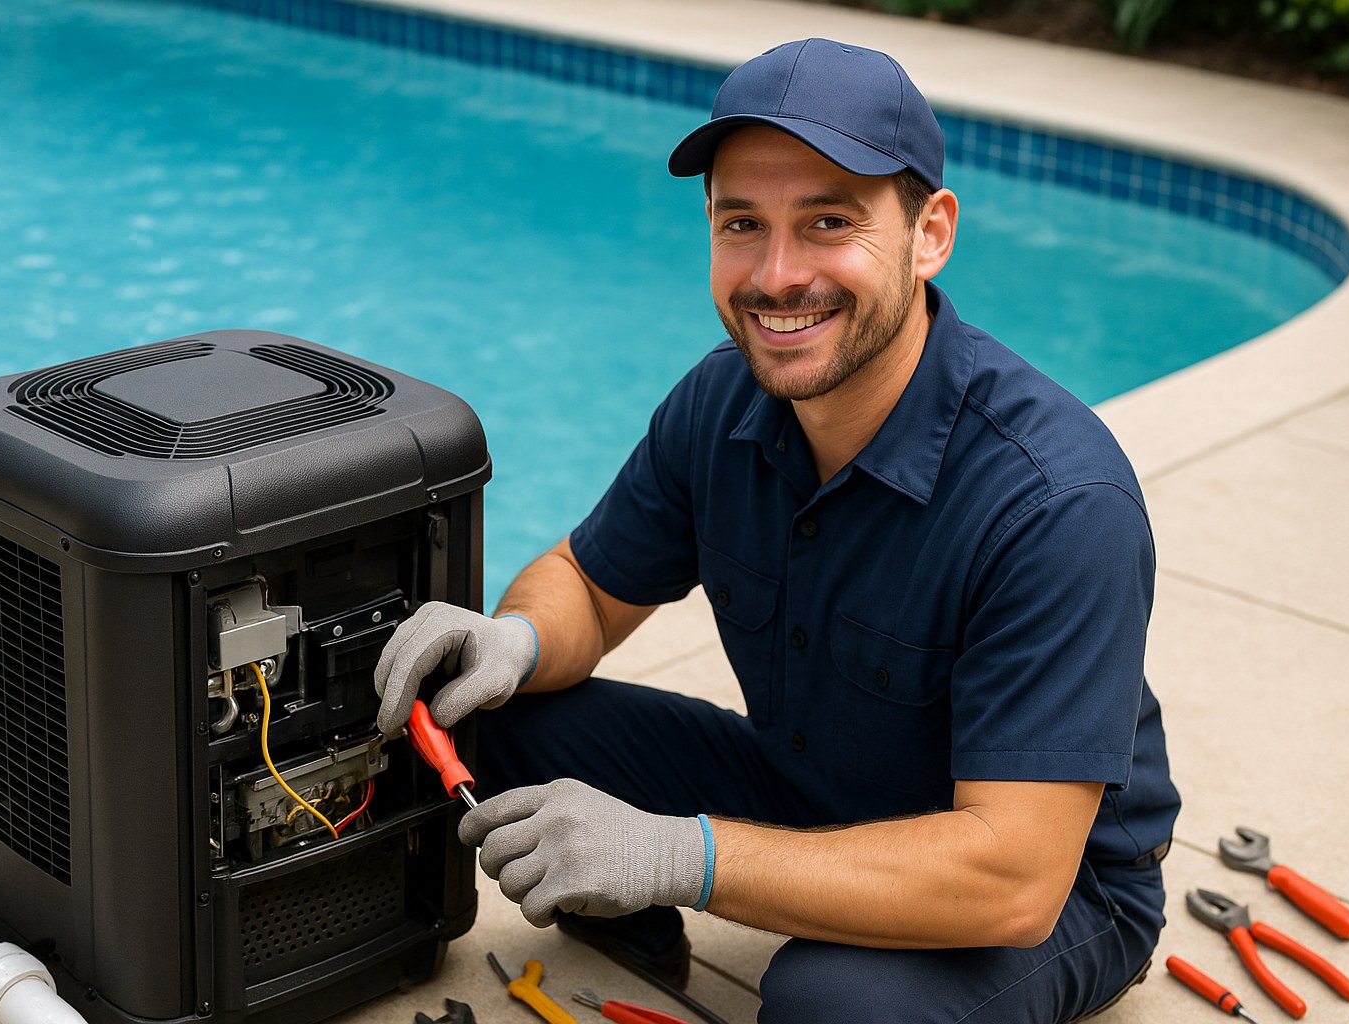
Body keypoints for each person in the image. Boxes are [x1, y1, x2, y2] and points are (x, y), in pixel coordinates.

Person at [375, 37, 1180, 1023]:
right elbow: (587, 581)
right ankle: (640, 933)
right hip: (817, 786)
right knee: (484, 710)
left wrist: (679, 854)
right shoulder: (723, 403)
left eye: (829, 221)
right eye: (742, 224)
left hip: (1058, 887)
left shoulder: (1053, 499)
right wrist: (519, 637)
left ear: (930, 234)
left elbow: (1012, 876)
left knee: (830, 1004)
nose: (778, 273)